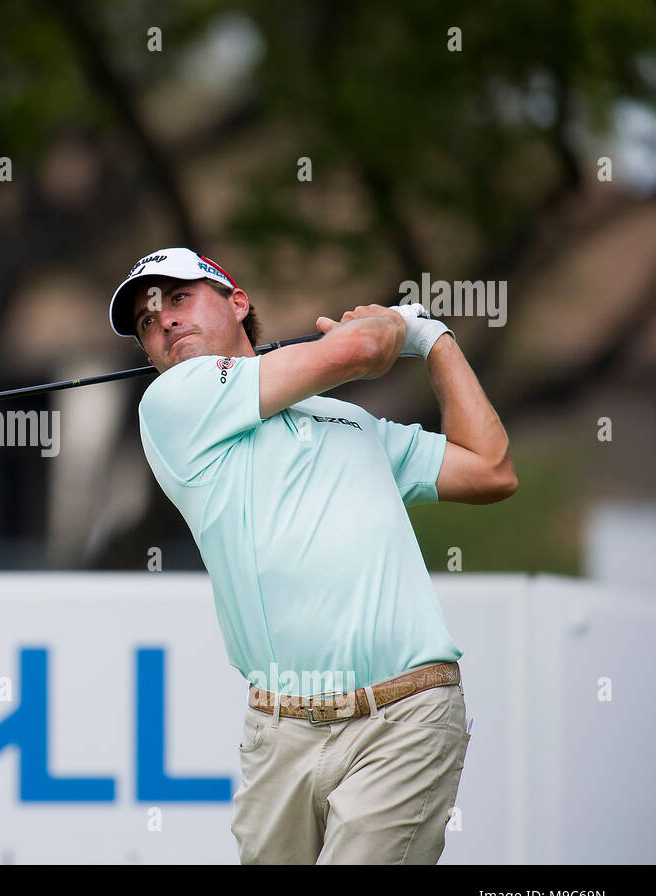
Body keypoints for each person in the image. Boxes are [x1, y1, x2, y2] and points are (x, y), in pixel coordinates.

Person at [108, 247, 517, 864]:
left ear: (238, 304)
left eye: (179, 297)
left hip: (403, 716)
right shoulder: (173, 404)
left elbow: (489, 470)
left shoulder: (352, 423)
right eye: (146, 321)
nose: (161, 320)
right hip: (279, 738)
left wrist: (435, 341)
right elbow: (356, 352)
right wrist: (395, 327)